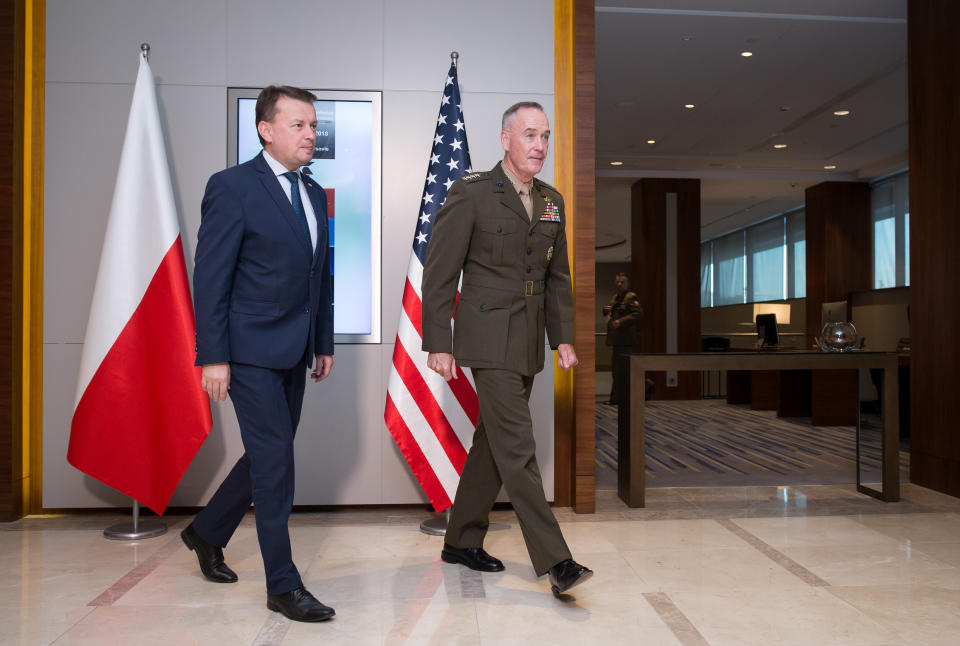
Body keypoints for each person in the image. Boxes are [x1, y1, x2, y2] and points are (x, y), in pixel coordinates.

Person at [421, 101, 593, 597]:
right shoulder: (471, 194)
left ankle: (461, 540)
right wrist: (439, 341)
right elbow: (440, 271)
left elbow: (557, 279)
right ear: (506, 139)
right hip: (485, 335)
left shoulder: (552, 201)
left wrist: (562, 337)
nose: (539, 146)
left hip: (527, 339)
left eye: (545, 137)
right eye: (530, 135)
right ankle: (556, 560)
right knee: (518, 446)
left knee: (492, 444)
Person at [182, 85, 335, 623]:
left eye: (313, 125)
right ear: (266, 130)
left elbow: (321, 276)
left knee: (267, 456)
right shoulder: (232, 187)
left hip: (295, 351)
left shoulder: (314, 193)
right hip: (246, 352)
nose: (310, 134)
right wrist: (213, 355)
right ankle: (283, 585)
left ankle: (204, 532)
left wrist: (322, 342)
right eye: (298, 125)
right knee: (276, 463)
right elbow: (211, 277)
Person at [603, 272, 643, 405]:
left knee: (622, 371)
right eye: (618, 282)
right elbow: (612, 315)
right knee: (616, 371)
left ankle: (620, 398)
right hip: (617, 340)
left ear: (627, 283)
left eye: (622, 282)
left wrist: (621, 322)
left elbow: (638, 314)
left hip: (626, 341)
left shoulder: (631, 297)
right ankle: (616, 398)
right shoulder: (616, 297)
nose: (619, 284)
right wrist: (606, 312)